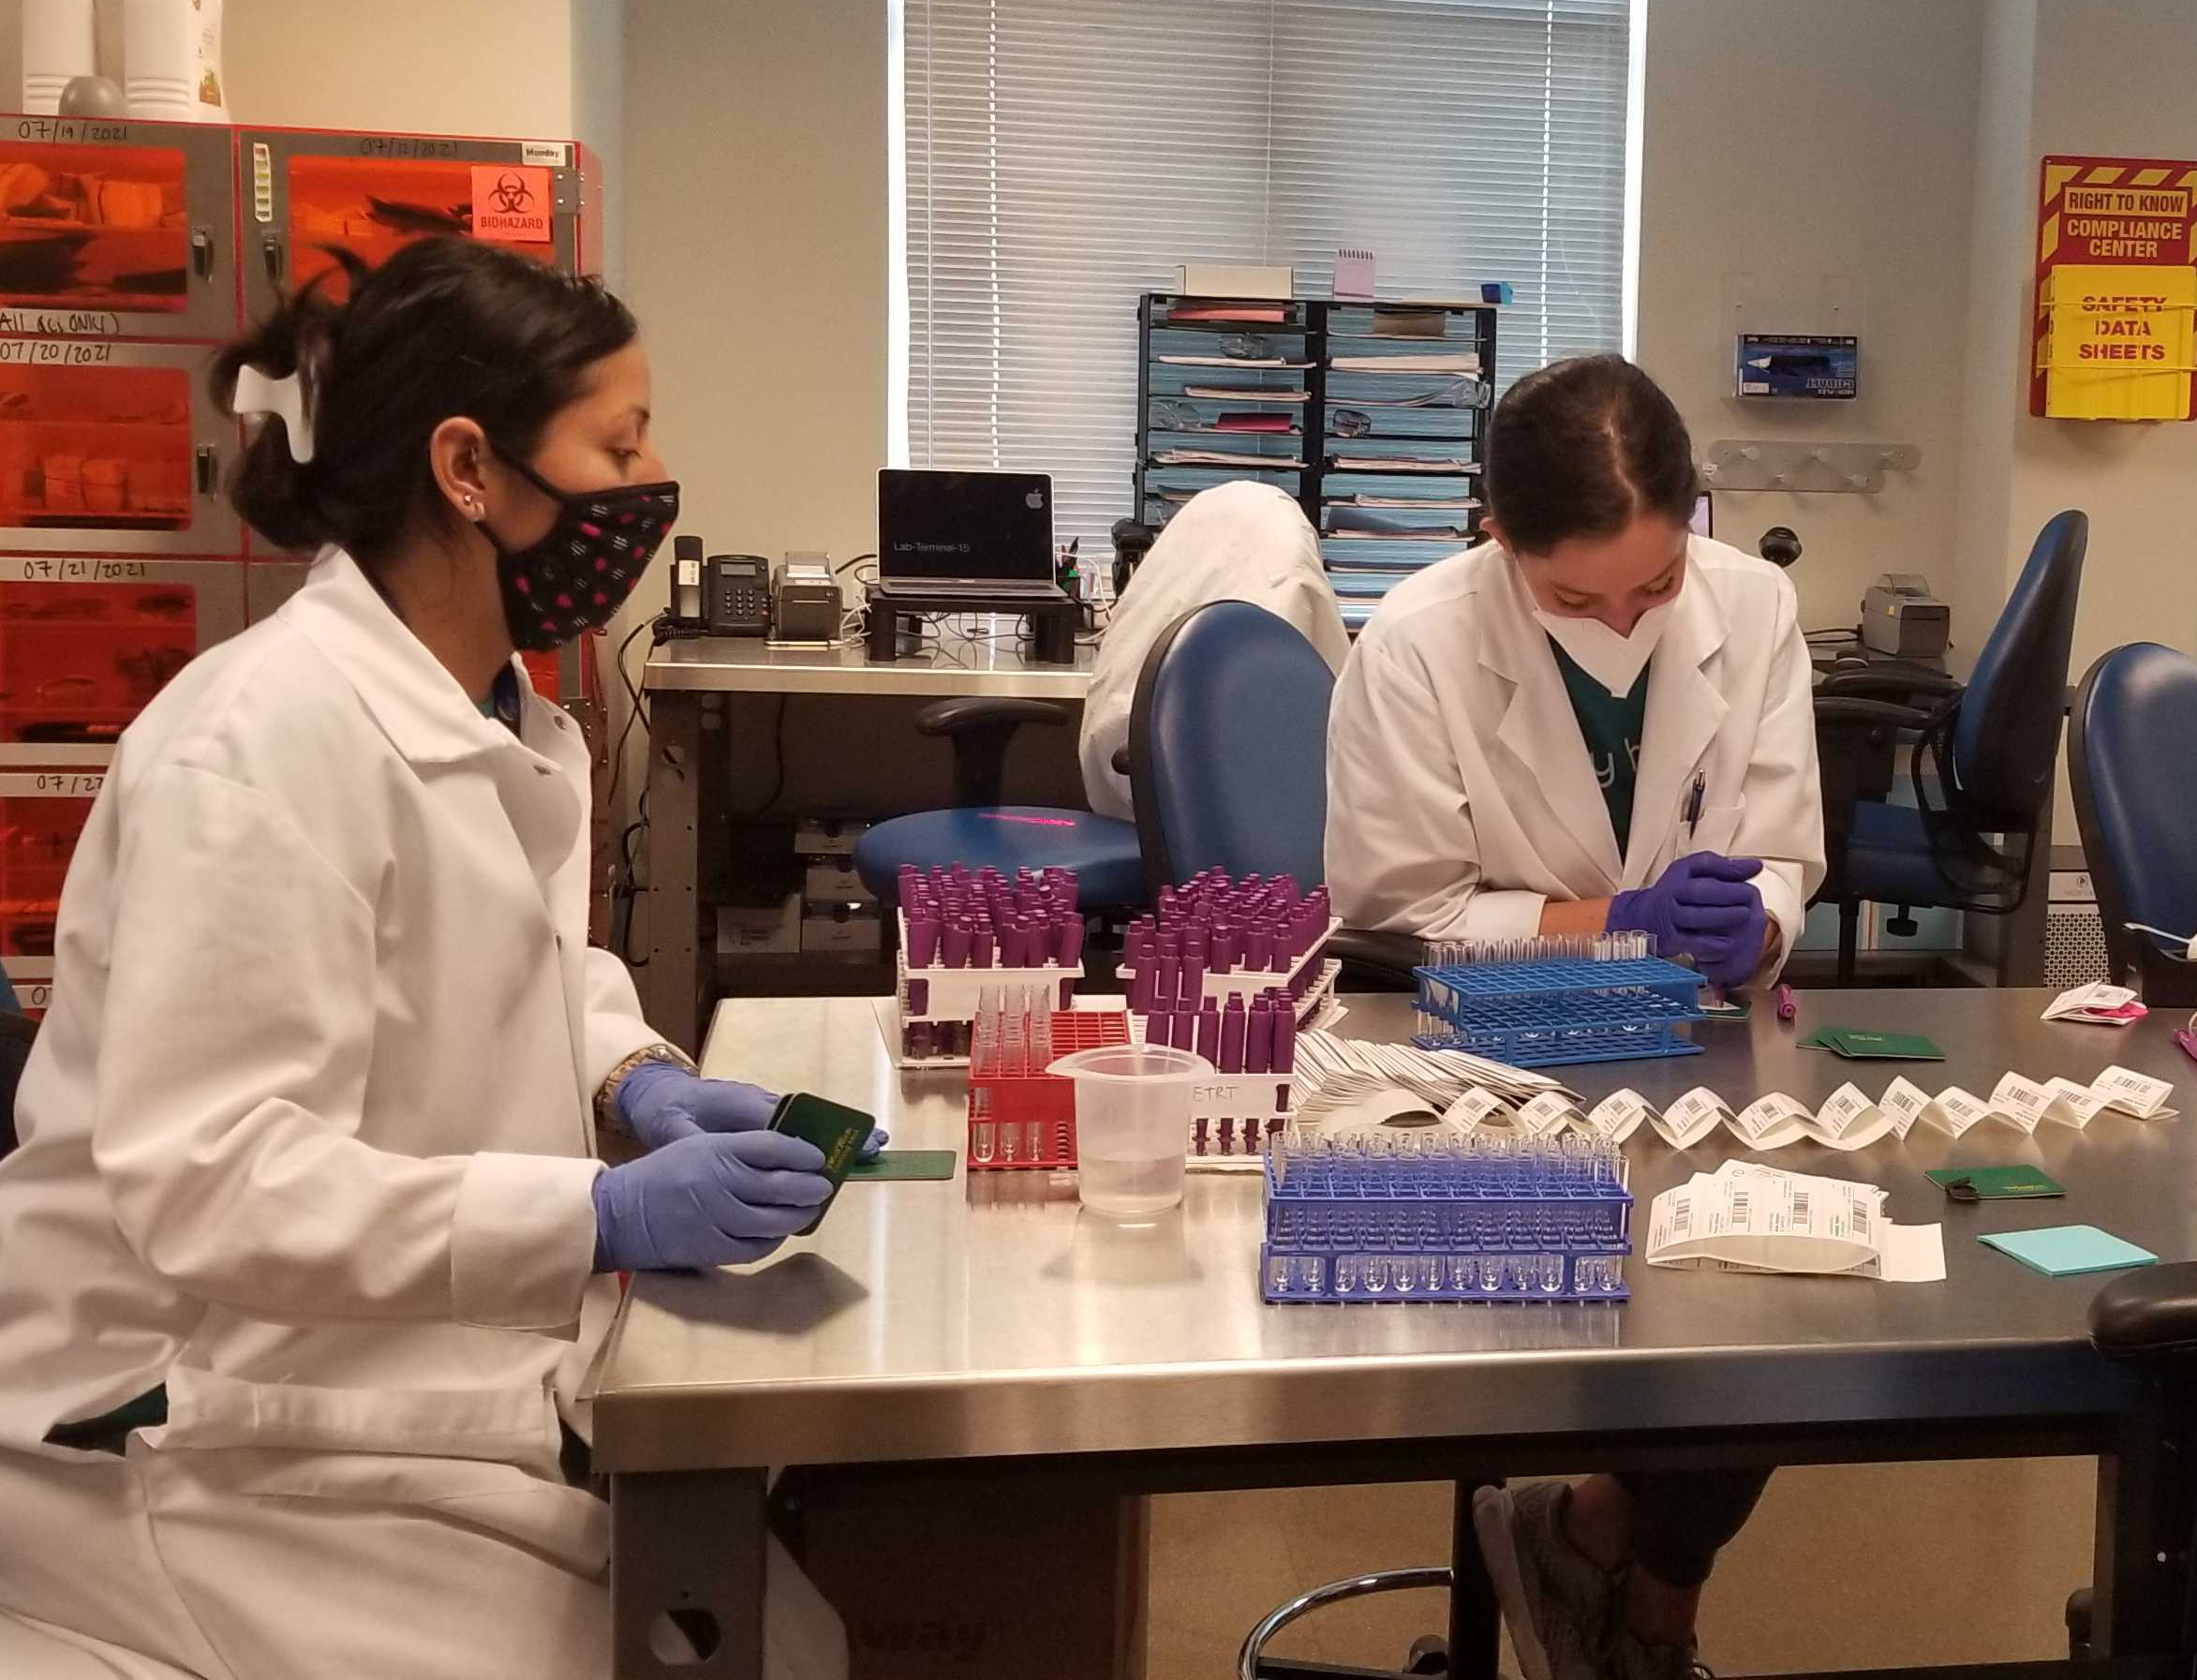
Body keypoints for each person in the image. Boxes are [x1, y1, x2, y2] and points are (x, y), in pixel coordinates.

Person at [0, 239, 846, 1678]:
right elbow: (214, 1178)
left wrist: (631, 1073)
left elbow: (504, 966)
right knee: (725, 1649)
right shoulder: (261, 745)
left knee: (779, 1626)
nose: (652, 480)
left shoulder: (493, 707)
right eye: (620, 442)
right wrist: (594, 1215)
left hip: (386, 1365)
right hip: (180, 1425)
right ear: (470, 467)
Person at [1324, 354, 1826, 1680]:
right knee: (1599, 1272)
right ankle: (1640, 1600)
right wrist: (1617, 919)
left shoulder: (1753, 603)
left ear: (1694, 518)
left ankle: (1610, 1544)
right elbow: (1397, 908)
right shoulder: (1418, 641)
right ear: (1496, 534)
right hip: (1481, 1026)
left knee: (1769, 1293)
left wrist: (1754, 919)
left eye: (1656, 583)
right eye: (1573, 596)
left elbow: (1777, 851)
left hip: (1688, 1026)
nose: (1626, 620)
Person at [1079, 479, 1348, 819]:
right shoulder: (1270, 620)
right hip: (1214, 821)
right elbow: (1338, 733)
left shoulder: (1184, 606)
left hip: (1125, 796)